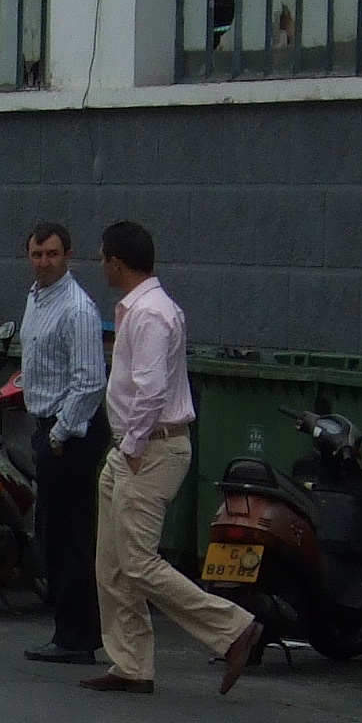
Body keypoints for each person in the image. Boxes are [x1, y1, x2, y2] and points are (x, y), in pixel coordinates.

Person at [86, 220, 262, 697]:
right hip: (134, 445)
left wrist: (134, 447)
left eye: (102, 258)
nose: (100, 265)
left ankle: (233, 628)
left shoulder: (150, 315)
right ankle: (131, 663)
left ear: (116, 263)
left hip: (151, 446)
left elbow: (150, 390)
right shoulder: (140, 310)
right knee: (112, 561)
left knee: (138, 561)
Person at [17, 221, 108, 666]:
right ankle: (68, 627)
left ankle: (77, 637)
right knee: (51, 532)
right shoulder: (36, 299)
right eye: (36, 255)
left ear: (69, 256)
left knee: (71, 536)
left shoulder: (77, 309)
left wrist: (58, 434)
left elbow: (90, 382)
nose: (43, 262)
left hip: (71, 432)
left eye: (52, 254)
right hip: (47, 426)